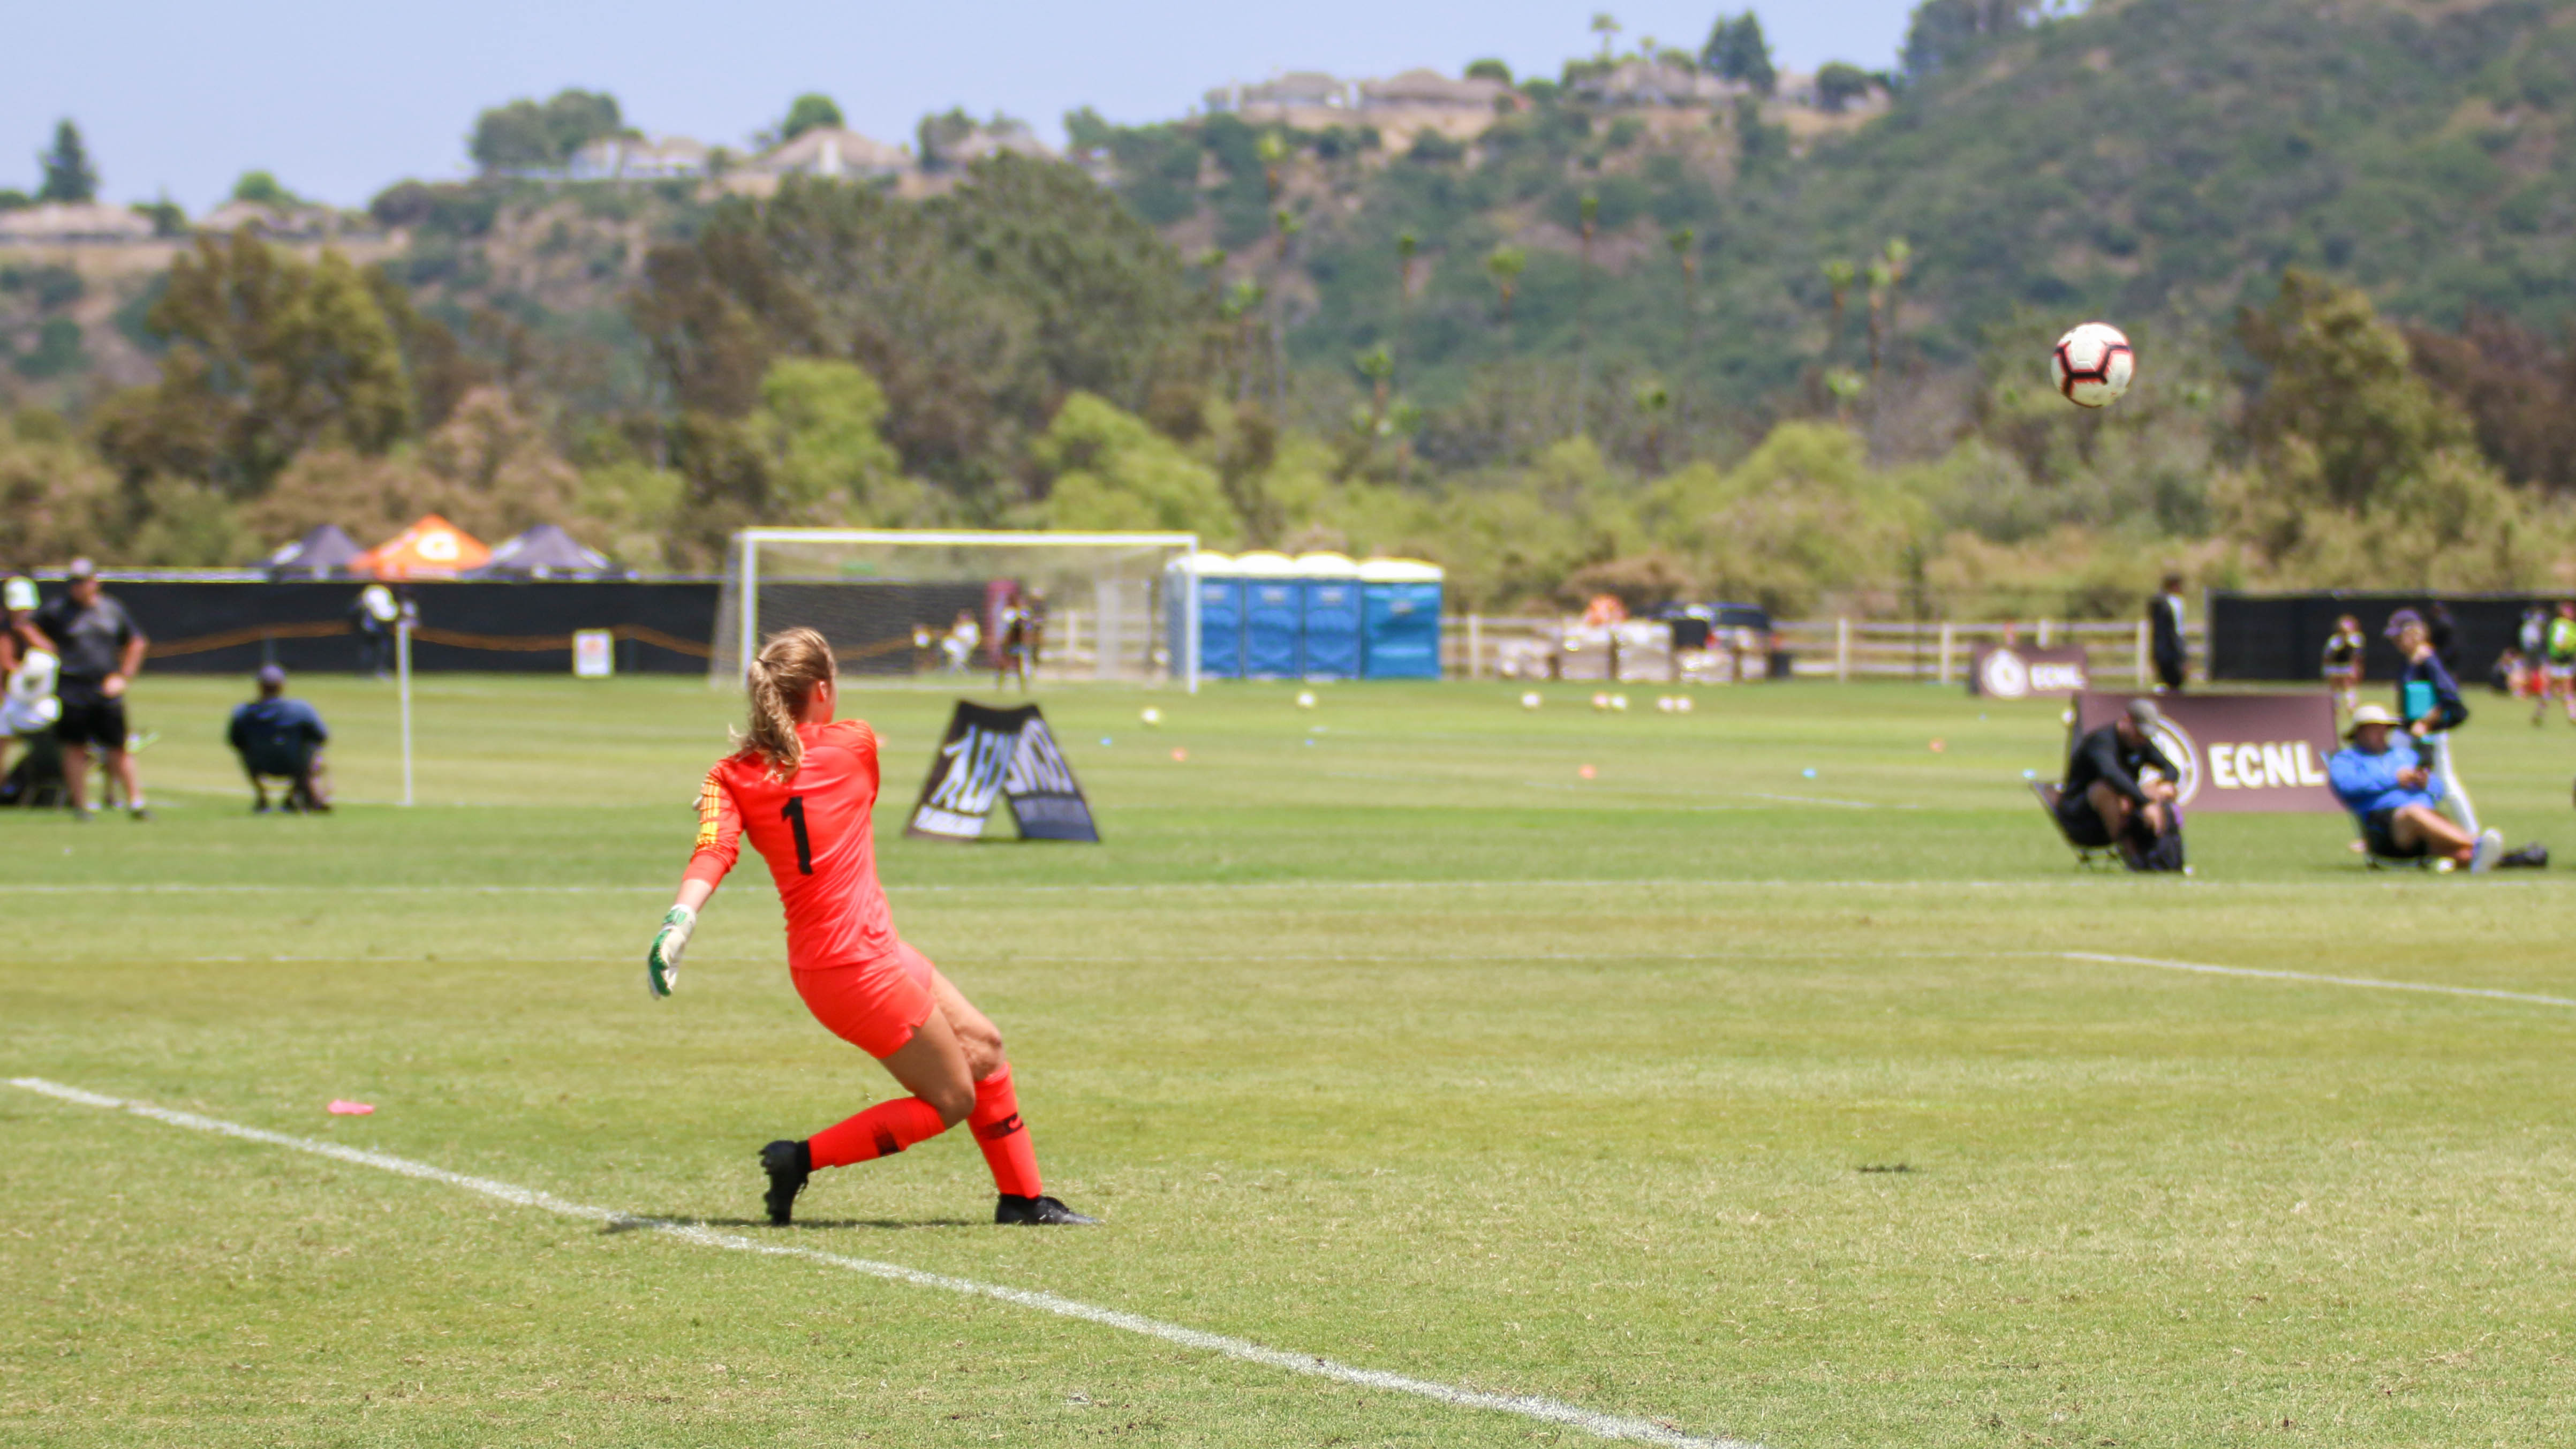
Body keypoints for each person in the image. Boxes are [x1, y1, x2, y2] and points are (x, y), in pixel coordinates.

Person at [645, 627, 1095, 1228]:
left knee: (985, 1046)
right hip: (858, 969)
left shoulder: (728, 775)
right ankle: (799, 1159)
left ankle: (1022, 1199)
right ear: (824, 689)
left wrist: (680, 920)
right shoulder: (855, 743)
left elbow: (714, 850)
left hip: (846, 959)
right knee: (952, 1099)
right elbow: (842, 782)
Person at [2328, 704, 2528, 870]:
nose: (2380, 732)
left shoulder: (2403, 755)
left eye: (2383, 727)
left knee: (2454, 847)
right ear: (2359, 732)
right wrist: (2394, 779)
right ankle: (2478, 845)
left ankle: (2495, 858)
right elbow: (2347, 786)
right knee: (2413, 813)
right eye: (2374, 728)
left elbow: (2438, 790)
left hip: (2425, 818)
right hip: (2384, 826)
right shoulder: (2346, 760)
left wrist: (2426, 784)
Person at [32, 559, 149, 821]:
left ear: (95, 582)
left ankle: (136, 803)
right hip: (73, 686)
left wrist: (124, 676)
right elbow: (28, 627)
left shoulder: (112, 610)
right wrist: (48, 648)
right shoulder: (57, 611)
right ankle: (81, 805)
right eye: (73, 582)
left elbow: (136, 642)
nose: (77, 587)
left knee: (118, 746)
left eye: (82, 581)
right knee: (76, 747)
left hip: (106, 686)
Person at [2056, 697, 2180, 870]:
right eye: (2139, 733)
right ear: (2126, 721)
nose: (2142, 740)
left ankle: (2162, 851)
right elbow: (2112, 775)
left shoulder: (2141, 742)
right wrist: (2145, 802)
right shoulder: (2101, 742)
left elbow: (2171, 769)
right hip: (2081, 817)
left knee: (2164, 790)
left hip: (2124, 808)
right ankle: (2129, 851)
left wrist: (2163, 785)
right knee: (2103, 789)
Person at [2386, 608, 2476, 834]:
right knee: (2393, 776)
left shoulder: (2429, 662)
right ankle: (2389, 833)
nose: (2396, 642)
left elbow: (2450, 700)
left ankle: (2472, 835)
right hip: (2408, 733)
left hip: (2428, 735)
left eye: (2400, 636)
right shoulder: (2411, 661)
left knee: (2447, 785)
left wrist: (2425, 723)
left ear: (2415, 633)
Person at [227, 663, 330, 813]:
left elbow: (234, 741)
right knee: (313, 752)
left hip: (259, 764)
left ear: (259, 687)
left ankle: (262, 797)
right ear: (282, 686)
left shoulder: (243, 713)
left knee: (244, 751)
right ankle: (292, 797)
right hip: (294, 765)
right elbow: (321, 737)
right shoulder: (301, 709)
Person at [1, 575, 61, 791]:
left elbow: (51, 653)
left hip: (35, 697)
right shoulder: (4, 630)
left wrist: (28, 632)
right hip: (12, 698)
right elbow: (6, 663)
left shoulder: (34, 627)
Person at [2320, 613, 2366, 716]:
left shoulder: (2356, 640)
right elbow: (2327, 657)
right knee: (2335, 687)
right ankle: (2334, 707)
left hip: (2347, 667)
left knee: (2349, 686)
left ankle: (2351, 706)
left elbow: (2357, 657)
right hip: (2335, 667)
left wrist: (2357, 668)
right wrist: (2326, 669)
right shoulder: (2334, 642)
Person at [2149, 573, 2187, 693]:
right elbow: (2175, 630)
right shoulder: (2172, 603)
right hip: (2170, 650)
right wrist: (2182, 654)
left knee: (2167, 685)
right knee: (2174, 685)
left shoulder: (2157, 602)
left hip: (2161, 649)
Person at [351, 583, 400, 677]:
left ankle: (374, 671)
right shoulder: (376, 595)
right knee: (374, 649)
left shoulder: (370, 595)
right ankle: (369, 672)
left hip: (373, 626)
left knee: (376, 649)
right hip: (375, 627)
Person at [2542, 601, 2576, 727]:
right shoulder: (2560, 625)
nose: (2571, 613)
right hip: (2557, 661)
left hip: (2566, 661)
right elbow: (2558, 644)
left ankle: (2573, 715)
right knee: (2551, 688)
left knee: (2568, 688)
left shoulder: (2572, 626)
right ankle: (2540, 713)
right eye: (2569, 611)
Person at [939, 608, 979, 674]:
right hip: (959, 644)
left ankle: (957, 670)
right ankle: (960, 668)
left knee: (957, 653)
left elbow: (970, 639)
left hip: (967, 645)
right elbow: (955, 635)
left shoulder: (973, 627)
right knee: (948, 643)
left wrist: (960, 639)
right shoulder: (960, 627)